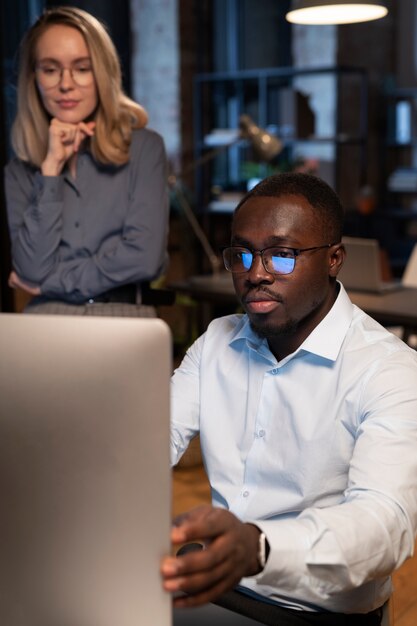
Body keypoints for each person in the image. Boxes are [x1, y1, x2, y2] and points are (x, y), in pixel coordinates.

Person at [162, 173, 417, 625]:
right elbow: (151, 440)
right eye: (242, 254)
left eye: (282, 255)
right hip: (218, 586)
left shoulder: (390, 371)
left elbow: (384, 526)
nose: (256, 273)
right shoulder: (215, 342)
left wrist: (258, 546)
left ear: (334, 258)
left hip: (314, 611)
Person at [4, 6, 169, 316]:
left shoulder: (146, 149)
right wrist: (50, 170)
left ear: (102, 73)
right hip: (46, 324)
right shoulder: (18, 172)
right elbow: (30, 268)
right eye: (50, 69)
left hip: (125, 318)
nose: (66, 84)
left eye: (82, 68)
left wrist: (54, 281)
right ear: (33, 78)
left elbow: (144, 257)